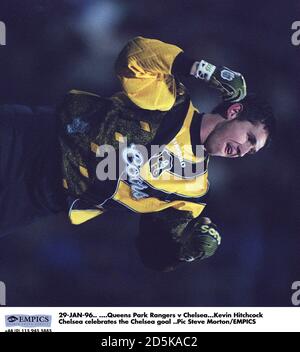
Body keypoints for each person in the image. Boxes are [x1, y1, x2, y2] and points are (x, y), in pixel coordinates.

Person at [0, 37, 275, 271]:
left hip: (39, 199)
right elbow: (134, 55)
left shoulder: (193, 193)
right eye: (249, 138)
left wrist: (187, 250)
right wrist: (201, 69)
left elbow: (152, 254)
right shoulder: (172, 103)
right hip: (30, 141)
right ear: (234, 112)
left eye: (253, 150)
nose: (245, 150)